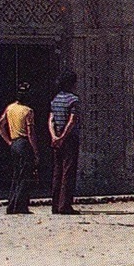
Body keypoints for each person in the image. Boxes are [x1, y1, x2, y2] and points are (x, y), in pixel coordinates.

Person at [0, 82, 38, 214]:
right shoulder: (28, 111)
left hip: (14, 144)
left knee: (16, 175)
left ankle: (12, 205)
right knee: (25, 176)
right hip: (24, 144)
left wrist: (8, 141)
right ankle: (20, 206)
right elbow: (30, 133)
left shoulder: (10, 108)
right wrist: (35, 151)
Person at [48, 72, 81, 214]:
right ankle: (65, 206)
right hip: (69, 139)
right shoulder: (73, 99)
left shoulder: (55, 100)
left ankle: (55, 205)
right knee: (68, 171)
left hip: (56, 138)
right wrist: (63, 137)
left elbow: (51, 120)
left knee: (57, 171)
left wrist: (54, 136)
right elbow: (72, 121)